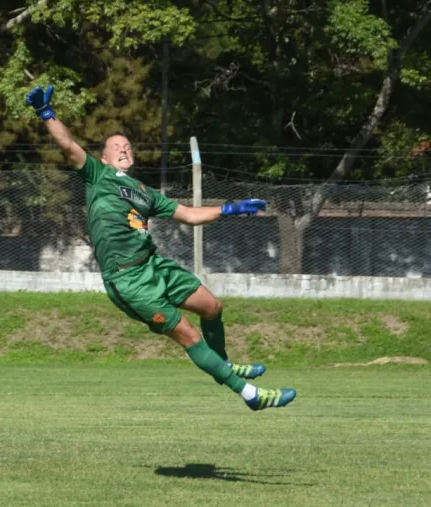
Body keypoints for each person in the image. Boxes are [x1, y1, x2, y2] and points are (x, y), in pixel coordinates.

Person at [26, 85, 296, 411]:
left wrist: (230, 209)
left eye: (127, 145)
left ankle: (223, 364)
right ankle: (251, 395)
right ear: (104, 157)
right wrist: (46, 113)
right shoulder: (97, 175)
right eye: (116, 146)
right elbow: (68, 145)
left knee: (212, 306)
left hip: (153, 265)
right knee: (190, 336)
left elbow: (189, 215)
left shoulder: (145, 192)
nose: (124, 148)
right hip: (128, 280)